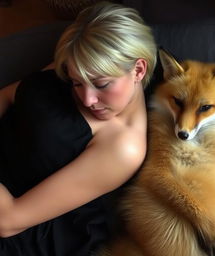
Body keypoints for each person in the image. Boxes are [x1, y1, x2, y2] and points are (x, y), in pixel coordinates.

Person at [0, 1, 157, 255]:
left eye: (101, 84)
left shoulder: (124, 147)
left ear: (138, 70)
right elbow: (8, 96)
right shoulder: (83, 64)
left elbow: (9, 221)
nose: (86, 99)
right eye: (75, 83)